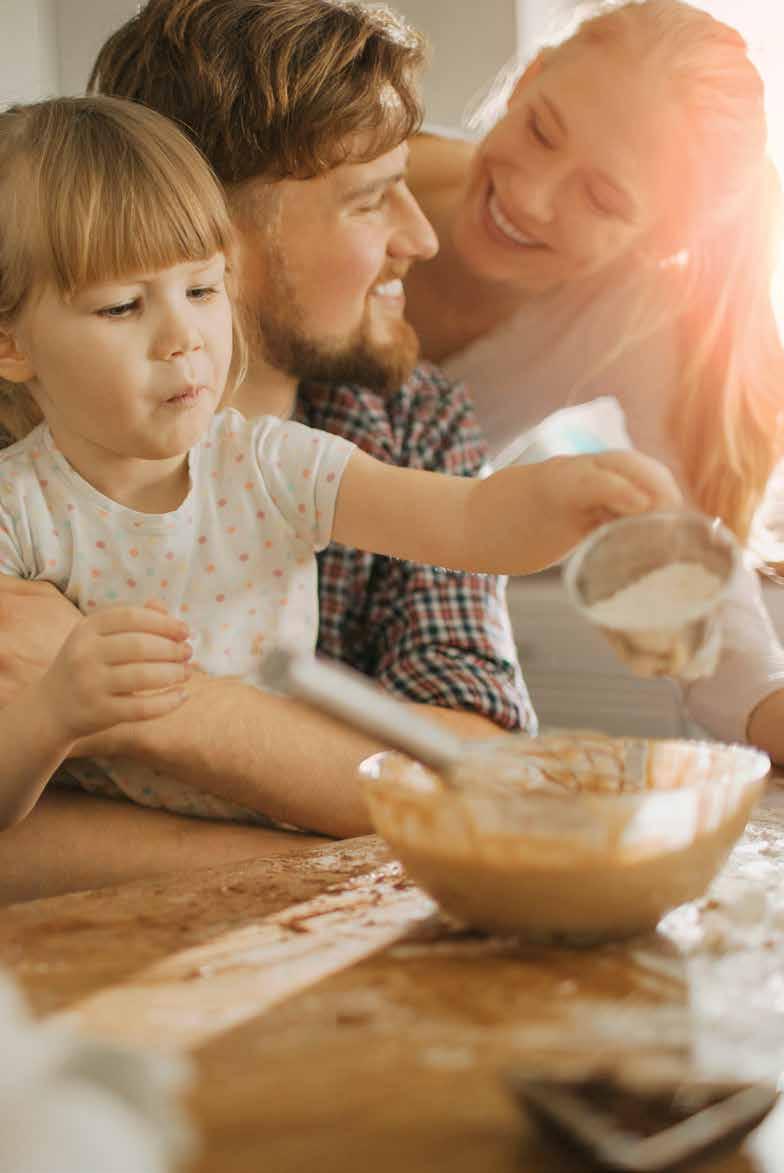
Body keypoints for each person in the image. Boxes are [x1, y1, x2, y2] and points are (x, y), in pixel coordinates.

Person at [0, 94, 680, 831]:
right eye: (122, 306)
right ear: (13, 347)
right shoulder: (15, 510)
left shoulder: (263, 462)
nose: (183, 337)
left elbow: (464, 520)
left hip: (299, 843)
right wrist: (51, 714)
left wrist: (564, 499)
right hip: (118, 912)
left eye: (201, 289)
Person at [0, 0, 513, 897]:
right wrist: (349, 842)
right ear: (215, 223)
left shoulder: (412, 422)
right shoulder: (26, 472)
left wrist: (143, 706)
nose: (419, 237)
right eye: (368, 197)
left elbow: (474, 769)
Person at [404, 0, 784, 776]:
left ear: (660, 243)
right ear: (528, 78)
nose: (530, 196)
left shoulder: (630, 312)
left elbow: (730, 653)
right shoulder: (343, 179)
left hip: (388, 655)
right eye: (539, 128)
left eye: (601, 198)